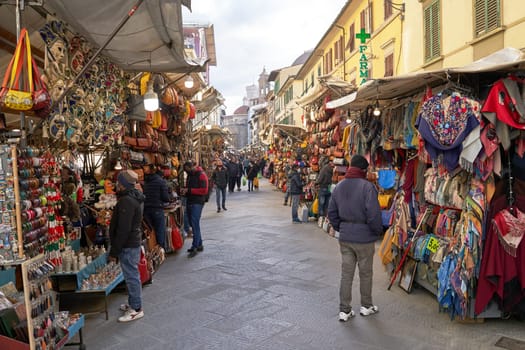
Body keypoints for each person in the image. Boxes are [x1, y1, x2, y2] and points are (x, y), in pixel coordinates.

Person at [327, 154, 383, 322]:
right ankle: (366, 306)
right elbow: (374, 215)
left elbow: (332, 212)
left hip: (345, 237)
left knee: (346, 275)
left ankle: (344, 310)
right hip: (364, 238)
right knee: (366, 274)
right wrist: (376, 231)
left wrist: (341, 228)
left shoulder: (339, 186)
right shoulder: (368, 187)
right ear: (363, 170)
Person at [108, 170, 145, 322]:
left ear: (122, 184)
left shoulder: (126, 201)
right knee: (131, 275)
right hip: (132, 242)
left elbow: (124, 229)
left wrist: (114, 251)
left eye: (118, 182)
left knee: (131, 277)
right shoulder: (132, 197)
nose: (116, 185)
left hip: (128, 244)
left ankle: (136, 308)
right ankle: (133, 303)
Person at [181, 161, 209, 258]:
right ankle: (199, 244)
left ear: (192, 167)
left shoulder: (201, 175)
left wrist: (189, 190)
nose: (186, 171)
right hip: (190, 201)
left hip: (197, 202)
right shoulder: (190, 175)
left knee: (194, 223)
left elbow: (204, 190)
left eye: (187, 169)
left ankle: (195, 246)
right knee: (194, 223)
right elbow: (190, 188)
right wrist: (185, 190)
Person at [143, 164, 170, 249]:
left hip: (146, 210)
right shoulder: (161, 182)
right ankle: (161, 250)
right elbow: (166, 198)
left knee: (150, 231)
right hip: (157, 209)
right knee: (160, 231)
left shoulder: (146, 182)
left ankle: (152, 251)